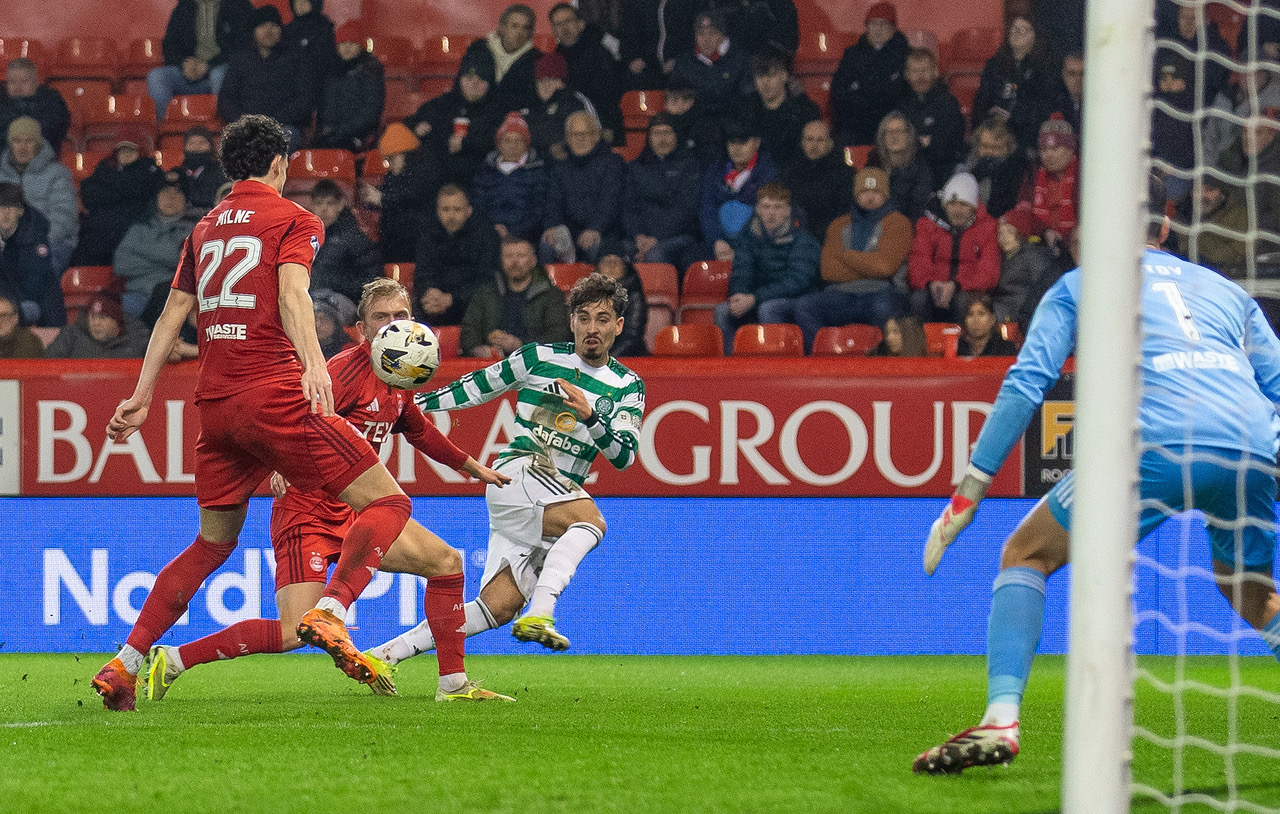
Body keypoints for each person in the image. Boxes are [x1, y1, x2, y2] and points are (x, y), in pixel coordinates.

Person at [913, 173, 1280, 774]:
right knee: (1250, 589)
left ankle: (1001, 718)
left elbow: (1027, 380)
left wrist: (969, 491)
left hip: (1155, 442)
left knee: (1026, 553)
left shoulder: (1081, 285)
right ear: (1165, 226)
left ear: (1095, 230)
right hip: (1250, 443)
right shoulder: (1225, 291)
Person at [92, 114, 417, 712]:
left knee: (212, 544)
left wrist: (141, 394)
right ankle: (331, 611)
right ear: (278, 165)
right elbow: (294, 293)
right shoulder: (296, 218)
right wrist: (314, 365)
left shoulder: (204, 229)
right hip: (273, 397)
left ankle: (126, 662)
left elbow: (170, 317)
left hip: (215, 407)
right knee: (390, 502)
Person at [138, 277, 515, 703]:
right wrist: (282, 461)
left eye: (401, 316)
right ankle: (174, 659)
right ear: (362, 329)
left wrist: (472, 467)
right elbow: (290, 418)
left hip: (361, 511)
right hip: (307, 509)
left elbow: (420, 433)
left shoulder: (399, 379)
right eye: (381, 317)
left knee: (447, 564)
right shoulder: (340, 372)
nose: (393, 325)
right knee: (292, 630)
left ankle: (454, 686)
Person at [368, 272, 644, 661]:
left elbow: (624, 457)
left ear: (618, 325)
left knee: (494, 609)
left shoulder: (627, 386)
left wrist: (591, 418)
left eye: (602, 319)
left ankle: (386, 654)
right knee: (592, 523)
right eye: (583, 317)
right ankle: (542, 613)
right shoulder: (538, 358)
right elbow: (473, 387)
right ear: (571, 321)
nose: (591, 328)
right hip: (520, 475)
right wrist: (407, 406)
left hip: (554, 498)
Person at [793, 167, 911, 353]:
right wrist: (869, 264)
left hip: (881, 291)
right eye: (864, 192)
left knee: (885, 308)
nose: (870, 197)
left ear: (886, 195)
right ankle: (822, 360)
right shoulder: (838, 224)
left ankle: (883, 360)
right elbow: (828, 269)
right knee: (805, 306)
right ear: (856, 195)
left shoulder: (898, 223)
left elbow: (885, 267)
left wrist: (845, 255)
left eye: (876, 192)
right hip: (840, 294)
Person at [714, 181, 820, 354]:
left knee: (769, 308)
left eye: (778, 207)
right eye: (766, 207)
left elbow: (798, 281)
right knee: (723, 310)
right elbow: (741, 271)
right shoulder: (747, 237)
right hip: (756, 297)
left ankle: (777, 364)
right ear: (758, 210)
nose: (771, 213)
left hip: (795, 299)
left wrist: (755, 298)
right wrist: (739, 296)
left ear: (787, 211)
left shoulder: (803, 240)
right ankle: (731, 367)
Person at [217, 5, 314, 151]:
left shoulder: (297, 57)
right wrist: (246, 123)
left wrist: (271, 123)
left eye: (274, 26)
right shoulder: (240, 59)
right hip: (247, 128)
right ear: (254, 31)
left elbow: (304, 101)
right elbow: (226, 100)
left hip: (283, 127)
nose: (269, 31)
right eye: (262, 26)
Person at [404, 48, 505, 187]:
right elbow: (406, 125)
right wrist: (416, 129)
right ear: (460, 78)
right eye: (469, 77)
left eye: (481, 78)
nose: (474, 83)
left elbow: (503, 140)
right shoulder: (443, 104)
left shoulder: (499, 109)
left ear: (490, 83)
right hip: (438, 184)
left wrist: (467, 143)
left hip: (481, 184)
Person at [908, 171, 1001, 322]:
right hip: (935, 286)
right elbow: (919, 261)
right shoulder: (928, 225)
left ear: (973, 206)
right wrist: (931, 283)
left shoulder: (987, 227)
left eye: (963, 204)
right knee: (918, 299)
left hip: (967, 290)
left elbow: (989, 272)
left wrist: (957, 285)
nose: (957, 210)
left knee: (965, 302)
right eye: (951, 204)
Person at [461, 236, 571, 357]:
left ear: (533, 260)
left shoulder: (551, 295)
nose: (514, 262)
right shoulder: (485, 293)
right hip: (489, 365)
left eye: (521, 256)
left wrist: (520, 345)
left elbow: (559, 337)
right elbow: (469, 330)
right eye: (508, 256)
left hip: (536, 364)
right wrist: (478, 349)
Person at [540, 110, 624, 264]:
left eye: (586, 134)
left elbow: (610, 201)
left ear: (596, 136)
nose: (580, 139)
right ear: (567, 139)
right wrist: (552, 226)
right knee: (547, 245)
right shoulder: (559, 167)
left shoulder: (612, 163)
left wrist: (595, 229)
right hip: (568, 233)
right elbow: (552, 202)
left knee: (596, 249)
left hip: (603, 232)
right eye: (575, 135)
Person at [149, 0, 254, 119]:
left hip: (222, 69)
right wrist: (184, 63)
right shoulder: (184, 7)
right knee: (156, 76)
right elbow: (170, 45)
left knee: (218, 75)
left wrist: (209, 65)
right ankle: (163, 129)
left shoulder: (238, 5)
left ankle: (225, 128)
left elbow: (242, 46)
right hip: (189, 73)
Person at [414, 185, 502, 327]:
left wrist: (452, 299)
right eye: (445, 209)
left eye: (457, 209)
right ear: (437, 211)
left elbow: (487, 280)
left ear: (469, 211)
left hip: (473, 306)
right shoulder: (427, 237)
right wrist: (430, 292)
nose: (451, 216)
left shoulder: (486, 236)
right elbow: (423, 275)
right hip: (436, 306)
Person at [622, 112, 701, 268]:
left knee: (655, 255)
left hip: (677, 236)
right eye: (657, 133)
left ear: (676, 135)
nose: (662, 138)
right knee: (612, 254)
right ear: (649, 137)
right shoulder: (635, 167)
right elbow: (628, 208)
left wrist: (655, 238)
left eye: (667, 133)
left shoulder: (690, 166)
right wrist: (639, 236)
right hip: (640, 238)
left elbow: (686, 209)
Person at [0, 116, 77, 273]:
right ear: (10, 144)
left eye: (29, 141)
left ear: (38, 144)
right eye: (17, 141)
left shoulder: (57, 174)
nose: (22, 147)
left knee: (37, 270)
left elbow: (64, 218)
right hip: (6, 243)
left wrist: (31, 242)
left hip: (49, 242)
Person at [73, 139, 166, 265]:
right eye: (123, 150)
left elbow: (142, 190)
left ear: (139, 152)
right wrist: (123, 191)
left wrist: (110, 190)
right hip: (99, 230)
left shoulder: (150, 170)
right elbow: (89, 195)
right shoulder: (104, 168)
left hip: (134, 228)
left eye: (131, 150)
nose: (127, 153)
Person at [970, 15, 1056, 153]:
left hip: (1024, 134)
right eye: (1014, 29)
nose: (1016, 33)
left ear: (1035, 37)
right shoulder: (994, 65)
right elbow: (981, 101)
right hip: (992, 131)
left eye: (1022, 30)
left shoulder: (1044, 69)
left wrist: (1012, 116)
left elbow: (1043, 108)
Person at [830, 2, 910, 147]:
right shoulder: (851, 56)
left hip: (891, 126)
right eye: (874, 24)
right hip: (856, 127)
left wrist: (862, 91)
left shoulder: (905, 56)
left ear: (893, 28)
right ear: (866, 27)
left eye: (884, 24)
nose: (878, 29)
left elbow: (903, 95)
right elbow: (839, 94)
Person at [700, 119, 778, 261]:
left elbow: (766, 213)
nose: (736, 148)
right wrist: (717, 240)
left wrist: (741, 247)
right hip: (718, 244)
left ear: (756, 143)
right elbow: (707, 208)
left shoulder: (768, 173)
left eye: (743, 142)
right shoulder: (715, 171)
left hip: (755, 245)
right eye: (732, 143)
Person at [113, 183, 198, 316]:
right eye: (165, 192)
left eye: (177, 192)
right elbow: (121, 265)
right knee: (104, 311)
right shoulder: (139, 228)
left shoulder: (195, 229)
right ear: (156, 197)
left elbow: (180, 259)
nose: (171, 197)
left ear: (186, 200)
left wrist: (139, 250)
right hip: (137, 295)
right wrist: (166, 264)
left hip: (172, 299)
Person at [549, 3, 625, 144]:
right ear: (553, 30)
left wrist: (607, 127)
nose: (564, 28)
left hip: (606, 126)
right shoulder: (554, 62)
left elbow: (610, 92)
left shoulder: (600, 51)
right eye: (558, 24)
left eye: (568, 21)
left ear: (581, 24)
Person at [362, 122, 439, 262]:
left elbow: (411, 195)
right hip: (394, 243)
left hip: (415, 244)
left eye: (392, 158)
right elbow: (391, 194)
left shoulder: (423, 173)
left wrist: (381, 199)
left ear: (406, 154)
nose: (389, 164)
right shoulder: (393, 175)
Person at [472, 111, 549, 245]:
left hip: (525, 236)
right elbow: (478, 205)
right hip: (490, 234)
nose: (512, 145)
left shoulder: (537, 171)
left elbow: (538, 209)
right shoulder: (485, 171)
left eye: (518, 140)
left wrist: (513, 232)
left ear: (526, 144)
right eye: (507, 140)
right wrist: (492, 228)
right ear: (499, 144)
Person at [306, 179, 381, 306]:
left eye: (329, 204)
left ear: (340, 205)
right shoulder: (303, 236)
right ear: (312, 206)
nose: (324, 209)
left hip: (345, 301)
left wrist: (333, 282)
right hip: (310, 298)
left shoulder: (354, 238)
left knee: (319, 310)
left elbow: (373, 281)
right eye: (319, 203)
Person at [898, 47, 966, 186]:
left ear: (935, 72)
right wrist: (924, 142)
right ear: (907, 75)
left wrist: (917, 142)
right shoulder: (901, 105)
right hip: (907, 170)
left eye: (925, 70)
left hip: (942, 171)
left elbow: (948, 145)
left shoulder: (948, 103)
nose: (920, 76)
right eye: (915, 71)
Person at [668, 11, 753, 122]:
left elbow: (747, 99)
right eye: (701, 34)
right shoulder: (684, 63)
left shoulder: (740, 60)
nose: (706, 39)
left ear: (722, 35)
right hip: (694, 126)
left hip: (730, 126)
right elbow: (676, 98)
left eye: (712, 33)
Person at [1014, 114, 1079, 256]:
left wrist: (1067, 239)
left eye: (1055, 149)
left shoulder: (1084, 176)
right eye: (1043, 150)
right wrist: (1044, 231)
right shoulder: (1033, 174)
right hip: (1041, 245)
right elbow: (1023, 212)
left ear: (1070, 149)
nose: (1048, 155)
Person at [0, 181, 64, 327]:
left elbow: (35, 283)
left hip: (40, 301)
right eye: (1, 206)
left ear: (20, 211)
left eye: (12, 207)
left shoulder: (35, 237)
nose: (6, 213)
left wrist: (9, 306)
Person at [315, 20, 385, 152]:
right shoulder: (330, 70)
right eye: (342, 43)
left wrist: (342, 131)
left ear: (360, 46)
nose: (346, 48)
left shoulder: (371, 70)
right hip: (330, 134)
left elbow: (371, 111)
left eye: (352, 43)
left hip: (358, 135)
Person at [745, 51, 821, 171]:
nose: (765, 83)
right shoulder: (746, 112)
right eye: (760, 76)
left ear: (784, 76)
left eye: (771, 75)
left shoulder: (805, 111)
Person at [780, 120, 853, 241]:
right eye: (809, 139)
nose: (814, 145)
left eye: (820, 140)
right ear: (802, 143)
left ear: (830, 143)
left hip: (829, 239)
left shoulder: (845, 175)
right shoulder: (790, 173)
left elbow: (844, 216)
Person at [462, 4, 542, 113]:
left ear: (530, 33)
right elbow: (460, 87)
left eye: (525, 28)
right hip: (472, 112)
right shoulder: (479, 50)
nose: (520, 32)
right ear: (502, 27)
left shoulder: (536, 59)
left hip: (512, 120)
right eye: (514, 26)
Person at [991, 207, 1058, 328]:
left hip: (1021, 314)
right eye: (1001, 233)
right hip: (1001, 310)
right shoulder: (999, 258)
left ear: (1020, 233)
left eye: (1010, 232)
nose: (1004, 237)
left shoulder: (1033, 255)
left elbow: (1044, 287)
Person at [865, 110, 933, 222]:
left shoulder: (920, 167)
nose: (893, 136)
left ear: (909, 136)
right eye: (889, 132)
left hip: (904, 228)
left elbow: (918, 209)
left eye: (899, 131)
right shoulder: (872, 164)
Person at [524, 52, 593, 156]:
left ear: (562, 82)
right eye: (541, 80)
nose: (546, 85)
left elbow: (591, 135)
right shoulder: (527, 105)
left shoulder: (575, 103)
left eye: (552, 79)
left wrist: (562, 146)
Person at [620, 0, 699, 89]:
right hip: (646, 73)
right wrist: (632, 58)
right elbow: (628, 36)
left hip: (680, 73)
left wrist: (679, 62)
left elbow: (696, 39)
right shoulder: (638, 4)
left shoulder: (689, 4)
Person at [961, 116, 1027, 220]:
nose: (990, 152)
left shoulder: (1017, 171)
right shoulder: (966, 169)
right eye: (985, 146)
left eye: (996, 148)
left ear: (1008, 148)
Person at [0, 58, 71, 155]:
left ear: (35, 83)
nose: (17, 87)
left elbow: (53, 134)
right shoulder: (2, 102)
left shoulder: (52, 103)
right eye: (12, 82)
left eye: (24, 81)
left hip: (44, 163)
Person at [46, 293, 151, 358]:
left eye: (103, 317)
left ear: (117, 321)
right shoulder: (71, 335)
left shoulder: (139, 342)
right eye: (93, 317)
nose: (96, 323)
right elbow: (49, 367)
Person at [594, 246, 648, 356]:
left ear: (625, 267)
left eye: (617, 261)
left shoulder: (634, 294)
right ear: (598, 267)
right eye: (606, 261)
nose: (611, 266)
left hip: (627, 357)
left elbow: (632, 336)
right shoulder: (586, 293)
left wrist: (607, 360)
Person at [282, 0, 338, 102]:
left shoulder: (323, 27)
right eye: (297, 1)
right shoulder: (287, 30)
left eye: (305, 1)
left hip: (319, 86)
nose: (300, 4)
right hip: (291, 89)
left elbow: (326, 59)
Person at [169, 126, 229, 216]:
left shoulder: (222, 171)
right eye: (191, 142)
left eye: (202, 142)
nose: (196, 146)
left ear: (211, 146)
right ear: (185, 147)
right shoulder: (176, 173)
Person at [955, 291, 1016, 357]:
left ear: (992, 319)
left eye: (981, 314)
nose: (976, 320)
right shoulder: (957, 348)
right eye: (970, 314)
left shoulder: (1006, 348)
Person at [311, 287, 354, 358]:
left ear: (335, 322)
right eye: (313, 319)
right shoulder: (298, 353)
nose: (317, 325)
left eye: (324, 319)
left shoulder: (350, 351)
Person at [0, 292, 43, 358]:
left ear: (15, 319)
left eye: (4, 315)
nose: (0, 320)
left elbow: (20, 367)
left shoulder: (27, 340)